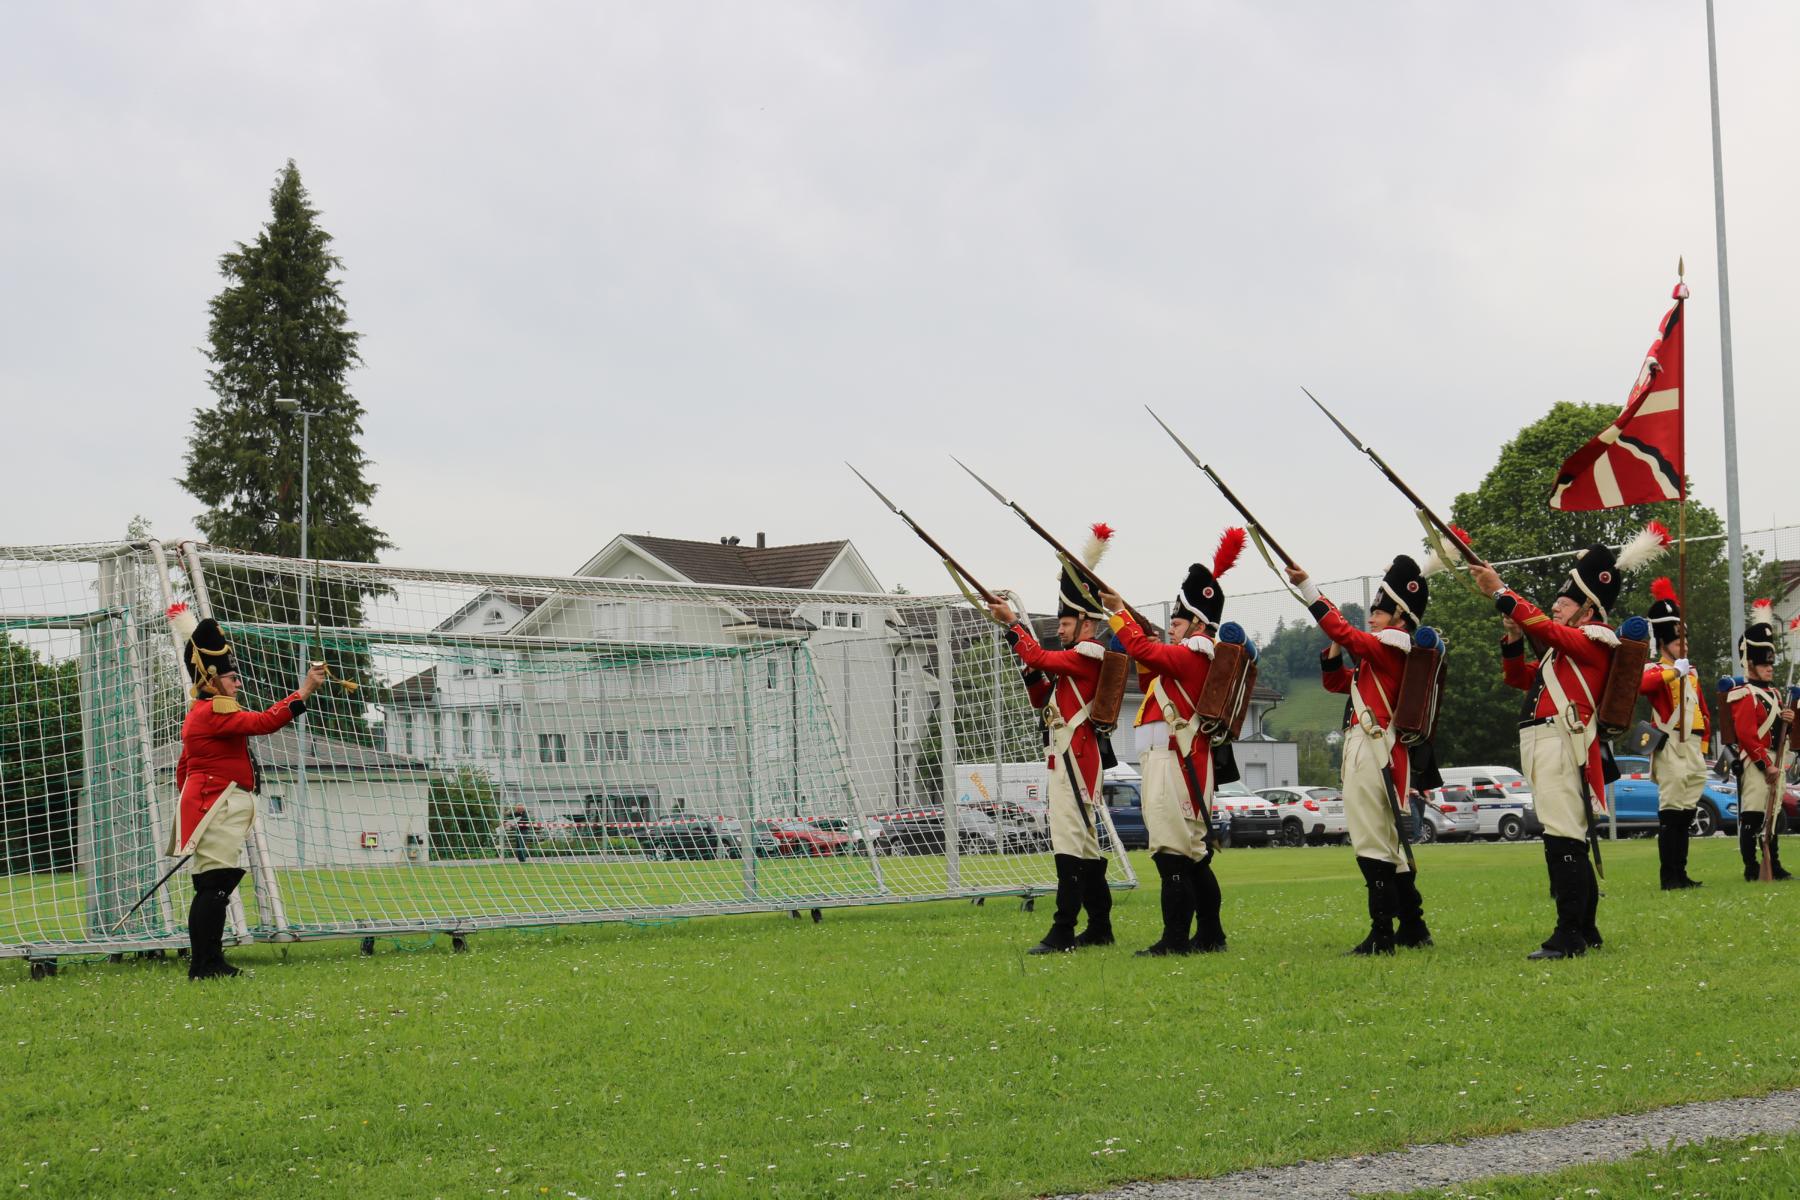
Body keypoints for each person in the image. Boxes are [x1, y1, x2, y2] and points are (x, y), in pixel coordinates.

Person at [1471, 522, 1668, 960]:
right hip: (1548, 743)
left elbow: (1546, 626)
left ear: (1586, 608)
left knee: (1562, 837)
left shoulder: (1592, 639)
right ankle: (1587, 928)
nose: (1556, 609)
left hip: (1561, 742)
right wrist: (1513, 637)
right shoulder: (1565, 650)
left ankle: (1569, 934)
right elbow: (1518, 677)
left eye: (1563, 603)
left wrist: (1501, 590)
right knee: (1568, 837)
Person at [1099, 527, 1243, 957]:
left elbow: (1143, 651)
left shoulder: (1196, 652)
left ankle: (1176, 939)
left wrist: (1118, 613)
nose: (1173, 629)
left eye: (1178, 622)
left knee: (1170, 853)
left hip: (1177, 761)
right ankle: (1210, 934)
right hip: (1172, 760)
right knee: (1193, 853)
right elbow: (1150, 663)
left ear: (1197, 622)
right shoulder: (1187, 654)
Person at [1287, 553, 1437, 955]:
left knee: (1372, 842)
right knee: (1389, 845)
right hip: (1379, 750)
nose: (1372, 617)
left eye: (1380, 611)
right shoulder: (1382, 659)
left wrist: (1308, 587)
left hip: (1375, 750)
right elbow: (1338, 682)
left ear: (1400, 617)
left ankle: (1382, 934)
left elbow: (1345, 631)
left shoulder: (1393, 647)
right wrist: (1335, 645)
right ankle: (1413, 926)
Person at [166, 603, 326, 979]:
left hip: (212, 804)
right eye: (232, 677)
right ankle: (205, 964)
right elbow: (266, 722)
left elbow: (184, 769)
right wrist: (305, 690)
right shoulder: (213, 712)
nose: (238, 683)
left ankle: (209, 961)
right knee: (214, 887)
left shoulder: (204, 712)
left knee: (216, 885)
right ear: (212, 679)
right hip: (217, 804)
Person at [990, 525, 1115, 954]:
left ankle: (1064, 928)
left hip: (1077, 755)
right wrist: (1029, 673)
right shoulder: (1073, 660)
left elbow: (1040, 655)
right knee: (1085, 844)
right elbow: (1044, 696)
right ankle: (1100, 925)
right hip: (1066, 752)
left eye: (1065, 622)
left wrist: (1013, 626)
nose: (1059, 629)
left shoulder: (1089, 654)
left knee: (1068, 843)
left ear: (1085, 622)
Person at [1639, 578, 1710, 889]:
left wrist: (1705, 745)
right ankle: (1669, 876)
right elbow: (1643, 686)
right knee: (1671, 810)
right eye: (1678, 642)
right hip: (1671, 744)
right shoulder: (1655, 670)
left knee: (1687, 810)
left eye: (1685, 641)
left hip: (1693, 745)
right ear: (1664, 643)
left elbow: (1703, 711)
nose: (1684, 647)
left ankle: (1681, 872)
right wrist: (1675, 671)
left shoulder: (1690, 671)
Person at [1727, 601, 1795, 882]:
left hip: (1775, 761)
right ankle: (1751, 867)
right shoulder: (1743, 694)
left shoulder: (1777, 695)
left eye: (1771, 663)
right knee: (1753, 816)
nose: (1770, 668)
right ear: (1751, 663)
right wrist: (1765, 764)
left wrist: (1787, 720)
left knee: (1774, 817)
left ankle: (1774, 865)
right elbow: (1746, 735)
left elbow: (1777, 733)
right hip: (1757, 763)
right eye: (1765, 663)